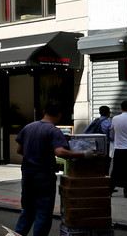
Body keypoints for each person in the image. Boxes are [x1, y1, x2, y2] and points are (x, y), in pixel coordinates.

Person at [15, 101, 95, 236]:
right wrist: (83, 154)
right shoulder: (53, 130)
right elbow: (60, 152)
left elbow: (18, 150)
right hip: (43, 175)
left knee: (28, 209)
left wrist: (32, 155)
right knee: (43, 211)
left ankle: (17, 234)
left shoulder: (28, 127)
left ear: (43, 112)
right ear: (59, 115)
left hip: (27, 174)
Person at [83, 104, 112, 175]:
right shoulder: (109, 122)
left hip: (95, 144)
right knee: (106, 163)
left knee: (96, 161)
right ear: (108, 113)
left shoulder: (96, 121)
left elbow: (86, 131)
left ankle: (96, 176)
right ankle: (105, 176)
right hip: (106, 145)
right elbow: (112, 136)